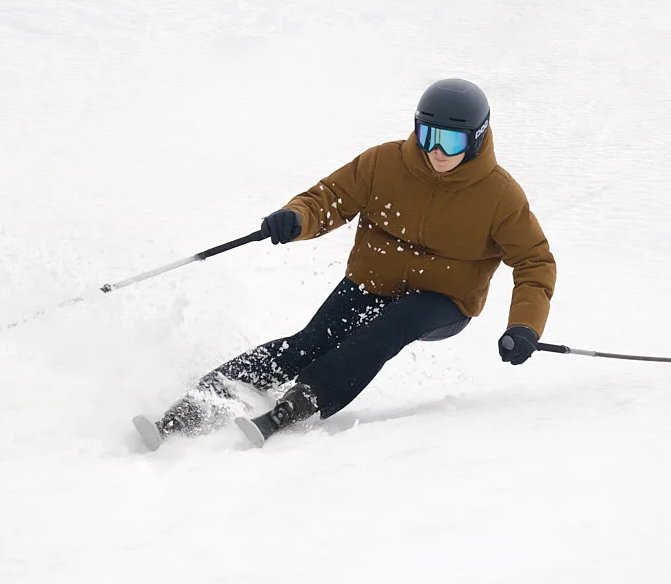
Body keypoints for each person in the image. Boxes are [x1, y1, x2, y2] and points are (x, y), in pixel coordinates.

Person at [133, 78, 557, 450]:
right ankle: (199, 401)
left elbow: (534, 262)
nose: (437, 152)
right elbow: (328, 200)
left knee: (389, 328)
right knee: (309, 341)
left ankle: (302, 402)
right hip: (372, 280)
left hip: (444, 300)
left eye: (453, 141)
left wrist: (524, 327)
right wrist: (296, 218)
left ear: (478, 139)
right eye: (429, 135)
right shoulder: (384, 164)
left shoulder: (499, 196)